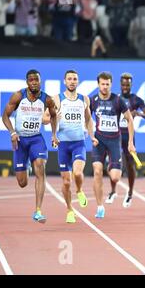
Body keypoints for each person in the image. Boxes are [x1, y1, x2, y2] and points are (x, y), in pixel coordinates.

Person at [1, 69, 59, 223]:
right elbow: (5, 115)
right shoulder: (18, 96)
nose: (34, 82)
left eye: (36, 80)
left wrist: (54, 134)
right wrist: (12, 133)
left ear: (40, 81)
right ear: (27, 82)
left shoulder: (47, 99)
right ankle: (26, 165)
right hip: (20, 141)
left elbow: (53, 116)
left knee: (40, 166)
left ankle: (38, 210)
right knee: (22, 183)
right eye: (31, 80)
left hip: (36, 139)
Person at [42, 70, 98, 223]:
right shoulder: (56, 99)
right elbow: (44, 119)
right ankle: (69, 210)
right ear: (64, 81)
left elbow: (89, 120)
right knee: (66, 182)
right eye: (69, 79)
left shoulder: (84, 99)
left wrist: (92, 136)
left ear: (77, 82)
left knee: (78, 173)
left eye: (75, 79)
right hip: (63, 145)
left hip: (79, 143)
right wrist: (54, 117)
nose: (72, 81)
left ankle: (79, 191)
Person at [89, 72, 136, 218]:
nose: (104, 87)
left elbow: (130, 120)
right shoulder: (93, 100)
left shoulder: (117, 101)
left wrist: (130, 143)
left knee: (115, 177)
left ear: (111, 84)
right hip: (99, 141)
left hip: (114, 141)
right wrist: (91, 136)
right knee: (97, 171)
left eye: (107, 84)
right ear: (98, 84)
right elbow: (86, 119)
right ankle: (99, 207)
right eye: (102, 84)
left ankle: (111, 165)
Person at [106, 72, 145, 208]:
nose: (125, 86)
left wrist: (138, 113)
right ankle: (113, 190)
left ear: (131, 84)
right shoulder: (115, 98)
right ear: (120, 85)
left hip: (128, 136)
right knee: (113, 164)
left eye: (128, 84)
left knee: (130, 165)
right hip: (115, 135)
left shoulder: (136, 100)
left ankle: (130, 193)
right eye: (123, 84)